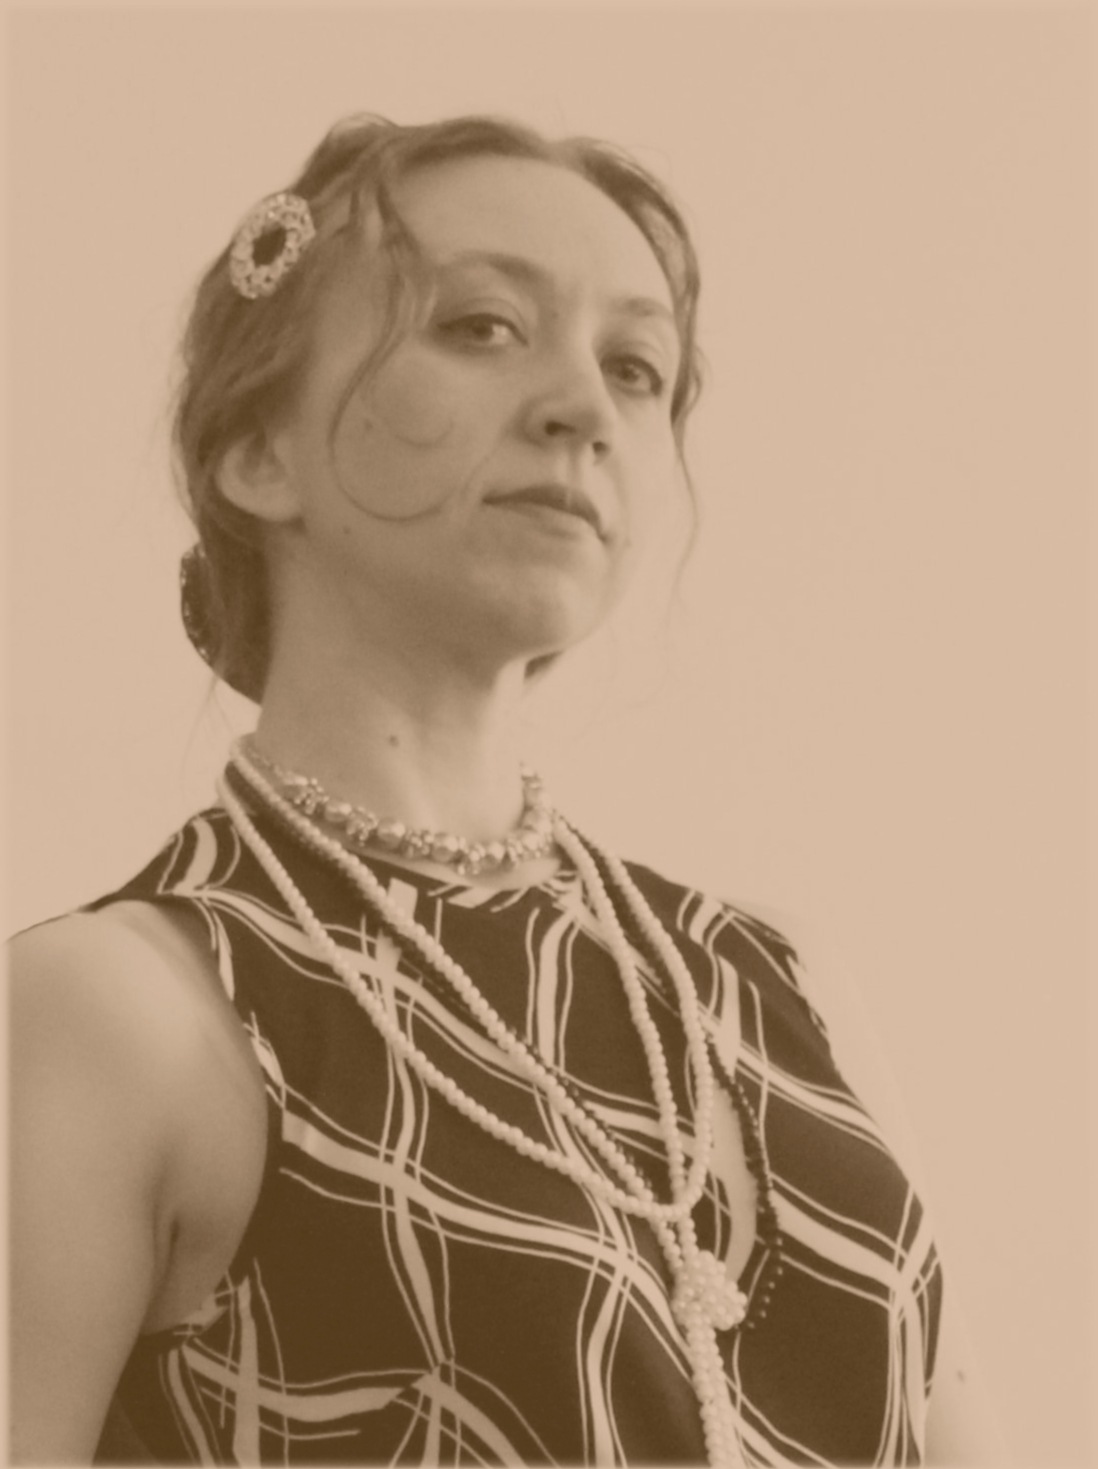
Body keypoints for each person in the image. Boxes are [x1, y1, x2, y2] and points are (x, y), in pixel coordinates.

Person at [9, 112, 998, 1467]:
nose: (583, 408)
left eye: (638, 368)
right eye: (481, 327)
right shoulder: (117, 1014)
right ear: (259, 451)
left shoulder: (774, 981)